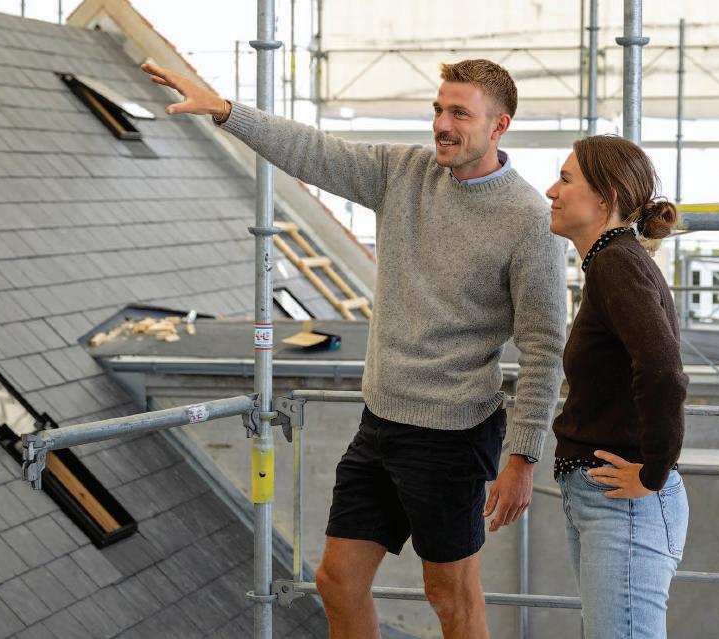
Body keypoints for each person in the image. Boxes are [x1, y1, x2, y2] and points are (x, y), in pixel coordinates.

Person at [141, 58, 566, 638]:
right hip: (380, 423)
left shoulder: (530, 222)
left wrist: (523, 457)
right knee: (337, 579)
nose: (441, 124)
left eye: (459, 113)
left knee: (451, 597)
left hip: (452, 437)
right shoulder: (402, 172)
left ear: (499, 126)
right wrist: (226, 110)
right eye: (438, 110)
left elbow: (544, 348)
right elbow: (313, 151)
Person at [546, 134, 689, 638]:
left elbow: (663, 370)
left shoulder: (616, 263)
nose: (551, 191)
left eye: (565, 180)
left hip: (624, 502)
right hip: (606, 498)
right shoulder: (611, 262)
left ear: (604, 199)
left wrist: (653, 472)